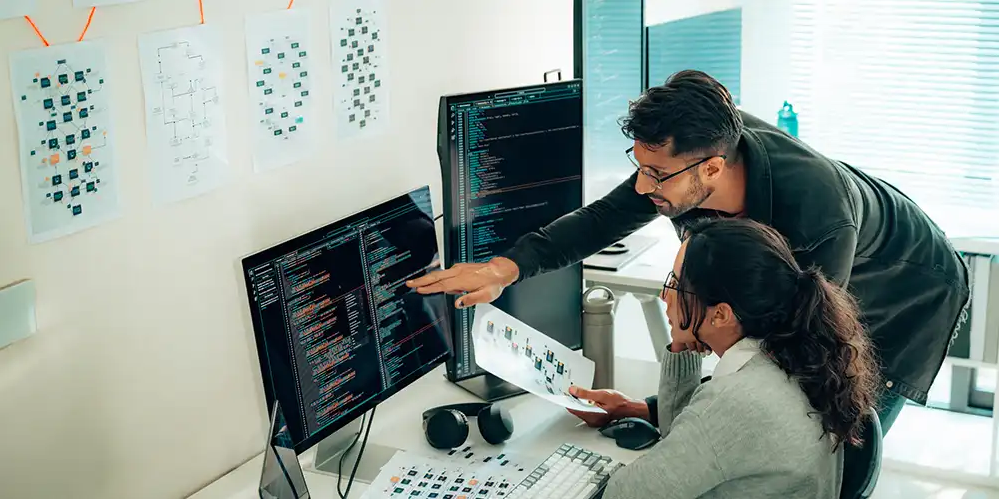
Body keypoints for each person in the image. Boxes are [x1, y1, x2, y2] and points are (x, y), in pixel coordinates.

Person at [408, 70, 970, 433]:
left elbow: (791, 352)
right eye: (639, 166)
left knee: (829, 427)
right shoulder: (692, 152)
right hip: (844, 259)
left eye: (656, 174)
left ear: (713, 169)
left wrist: (656, 408)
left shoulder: (815, 221)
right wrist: (504, 269)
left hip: (909, 287)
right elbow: (603, 218)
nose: (644, 187)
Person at [584, 217, 880, 498]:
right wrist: (682, 342)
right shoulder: (791, 358)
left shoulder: (737, 402)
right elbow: (681, 436)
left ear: (721, 314)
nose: (665, 296)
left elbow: (626, 494)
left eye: (675, 284)